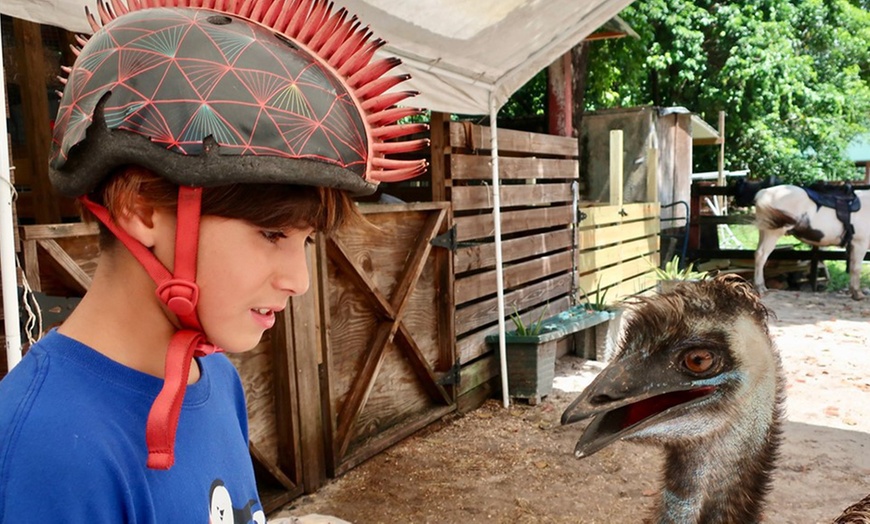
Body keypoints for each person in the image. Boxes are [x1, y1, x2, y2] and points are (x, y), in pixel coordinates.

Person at [0, 0, 428, 521]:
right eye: (271, 233)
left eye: (307, 241)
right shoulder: (44, 449)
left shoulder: (217, 379)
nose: (299, 281)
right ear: (140, 206)